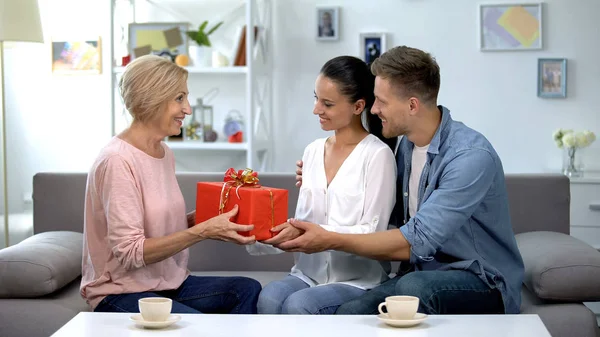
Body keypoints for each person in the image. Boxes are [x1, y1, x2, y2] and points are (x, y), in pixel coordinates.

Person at [287, 46, 525, 316]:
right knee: (351, 312)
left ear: (412, 105)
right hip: (422, 272)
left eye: (381, 101)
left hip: (482, 281)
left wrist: (328, 239)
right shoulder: (407, 149)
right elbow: (389, 216)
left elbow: (416, 241)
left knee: (415, 286)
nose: (373, 109)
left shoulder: (469, 157)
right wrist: (326, 183)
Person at [80, 55, 261, 314]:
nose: (187, 109)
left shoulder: (164, 152)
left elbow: (154, 224)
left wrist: (201, 220)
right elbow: (131, 253)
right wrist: (203, 232)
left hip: (168, 285)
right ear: (152, 98)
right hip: (120, 291)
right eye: (179, 98)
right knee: (202, 328)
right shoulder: (117, 160)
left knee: (246, 289)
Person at [249, 56, 398, 315]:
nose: (316, 109)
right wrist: (259, 233)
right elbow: (303, 222)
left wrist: (319, 234)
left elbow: (373, 231)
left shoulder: (377, 155)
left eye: (327, 103)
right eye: (316, 98)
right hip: (307, 274)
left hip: (358, 280)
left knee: (300, 304)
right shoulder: (312, 152)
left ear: (358, 106)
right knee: (269, 298)